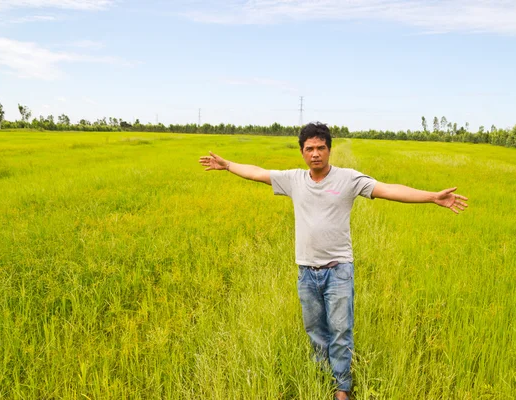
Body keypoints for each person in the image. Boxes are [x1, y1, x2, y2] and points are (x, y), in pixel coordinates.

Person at [199, 122, 468, 400]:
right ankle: (320, 377)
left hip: (338, 270)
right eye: (309, 149)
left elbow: (389, 189)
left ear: (329, 149)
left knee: (340, 331)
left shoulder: (348, 179)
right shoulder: (294, 180)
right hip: (306, 271)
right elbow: (258, 173)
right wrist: (228, 164)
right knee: (315, 330)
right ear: (302, 152)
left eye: (321, 148)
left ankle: (342, 387)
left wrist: (432, 197)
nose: (315, 153)